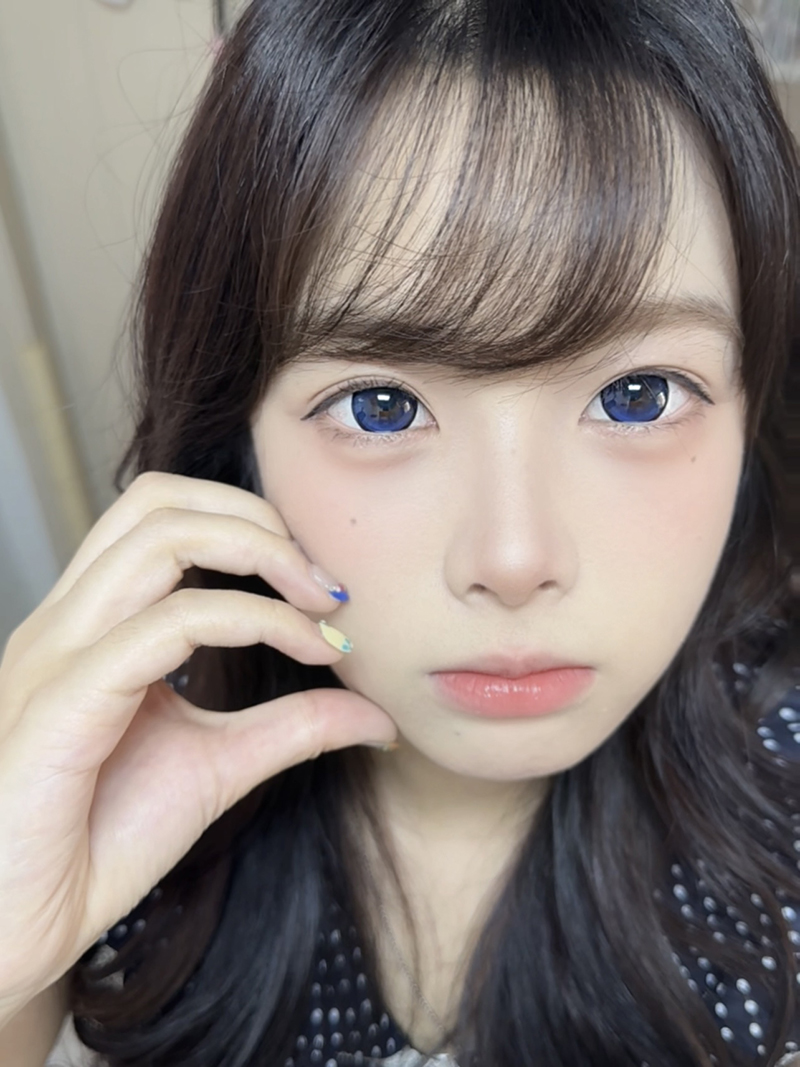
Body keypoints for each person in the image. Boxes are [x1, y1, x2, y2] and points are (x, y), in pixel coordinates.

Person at [0, 0, 798, 1064]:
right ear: (238, 438)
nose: (512, 559)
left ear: (753, 405)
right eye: (381, 407)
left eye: (638, 394)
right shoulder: (131, 782)